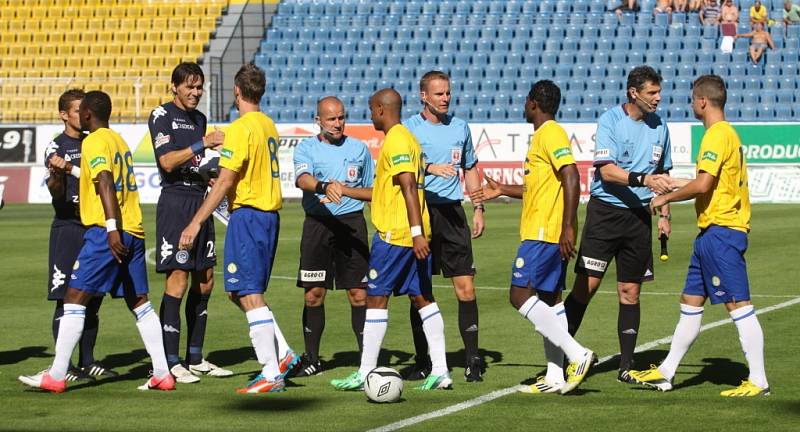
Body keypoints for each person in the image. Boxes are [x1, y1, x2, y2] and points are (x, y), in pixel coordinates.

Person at [19, 91, 174, 393]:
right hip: (135, 229)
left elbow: (104, 181)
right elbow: (96, 175)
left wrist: (111, 227)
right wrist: (69, 169)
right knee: (139, 302)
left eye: (81, 111)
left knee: (73, 298)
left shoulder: (92, 141)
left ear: (88, 114)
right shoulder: (118, 141)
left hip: (107, 231)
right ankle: (162, 373)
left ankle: (57, 374)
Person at [630, 74, 770, 397]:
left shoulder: (716, 135)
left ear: (703, 102)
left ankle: (759, 380)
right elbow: (708, 181)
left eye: (693, 99)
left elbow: (704, 185)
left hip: (722, 232)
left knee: (738, 305)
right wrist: (673, 183)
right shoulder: (724, 135)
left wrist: (666, 197)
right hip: (709, 235)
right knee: (690, 303)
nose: (692, 104)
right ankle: (666, 372)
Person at [178, 63, 297, 394]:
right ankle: (283, 354)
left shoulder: (241, 128)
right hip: (267, 215)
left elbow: (226, 180)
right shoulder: (267, 124)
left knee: (248, 293)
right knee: (237, 291)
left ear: (237, 91)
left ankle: (271, 373)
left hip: (249, 216)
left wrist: (196, 221)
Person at [473, 80, 595, 395]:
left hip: (543, 232)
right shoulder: (542, 137)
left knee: (518, 296)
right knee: (550, 300)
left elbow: (571, 174)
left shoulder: (550, 133)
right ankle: (555, 375)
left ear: (533, 103)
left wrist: (569, 226)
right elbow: (538, 188)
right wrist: (502, 190)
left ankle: (577, 353)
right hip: (548, 230)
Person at [330, 88, 453, 391]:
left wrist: (414, 234)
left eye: (372, 109)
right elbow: (386, 191)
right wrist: (344, 190)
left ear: (382, 110)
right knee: (423, 298)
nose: (370, 115)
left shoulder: (397, 139)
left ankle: (365, 371)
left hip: (397, 236)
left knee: (376, 298)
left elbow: (409, 186)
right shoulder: (410, 139)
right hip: (411, 233)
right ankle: (441, 370)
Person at [562, 66, 674, 384]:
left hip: (639, 219)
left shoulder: (660, 126)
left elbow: (663, 178)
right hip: (605, 214)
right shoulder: (610, 120)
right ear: (633, 93)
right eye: (652, 92)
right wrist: (643, 179)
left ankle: (626, 366)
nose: (658, 98)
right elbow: (607, 171)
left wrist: (664, 216)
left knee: (630, 292)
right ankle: (562, 358)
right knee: (587, 287)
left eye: (658, 91)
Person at [148, 62, 230, 384]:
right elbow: (167, 161)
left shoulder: (200, 119)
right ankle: (171, 361)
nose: (195, 93)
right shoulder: (161, 115)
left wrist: (210, 172)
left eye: (199, 87)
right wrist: (203, 144)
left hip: (200, 201)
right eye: (189, 87)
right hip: (175, 202)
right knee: (178, 280)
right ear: (175, 87)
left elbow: (195, 161)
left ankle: (195, 357)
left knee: (206, 279)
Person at [402, 70, 486, 382]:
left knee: (466, 287)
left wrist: (477, 207)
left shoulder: (460, 127)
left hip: (452, 215)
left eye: (448, 93)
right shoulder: (408, 129)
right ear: (423, 96)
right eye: (439, 94)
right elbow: (398, 167)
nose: (445, 98)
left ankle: (473, 360)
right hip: (421, 213)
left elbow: (471, 167)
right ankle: (424, 361)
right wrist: (427, 167)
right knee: (419, 291)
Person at [289, 96, 374, 377]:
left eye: (341, 117)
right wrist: (325, 187)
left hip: (353, 225)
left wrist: (348, 193)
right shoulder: (306, 149)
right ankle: (312, 358)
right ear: (318, 121)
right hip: (318, 226)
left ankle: (367, 361)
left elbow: (373, 191)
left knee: (359, 294)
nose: (338, 123)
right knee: (314, 295)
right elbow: (302, 180)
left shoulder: (360, 149)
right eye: (331, 119)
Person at [42, 89, 116, 382]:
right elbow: (56, 194)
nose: (83, 113)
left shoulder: (94, 142)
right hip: (67, 228)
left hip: (91, 227)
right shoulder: (55, 147)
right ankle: (66, 364)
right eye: (77, 109)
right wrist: (58, 175)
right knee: (65, 299)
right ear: (64, 115)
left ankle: (88, 361)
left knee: (93, 297)